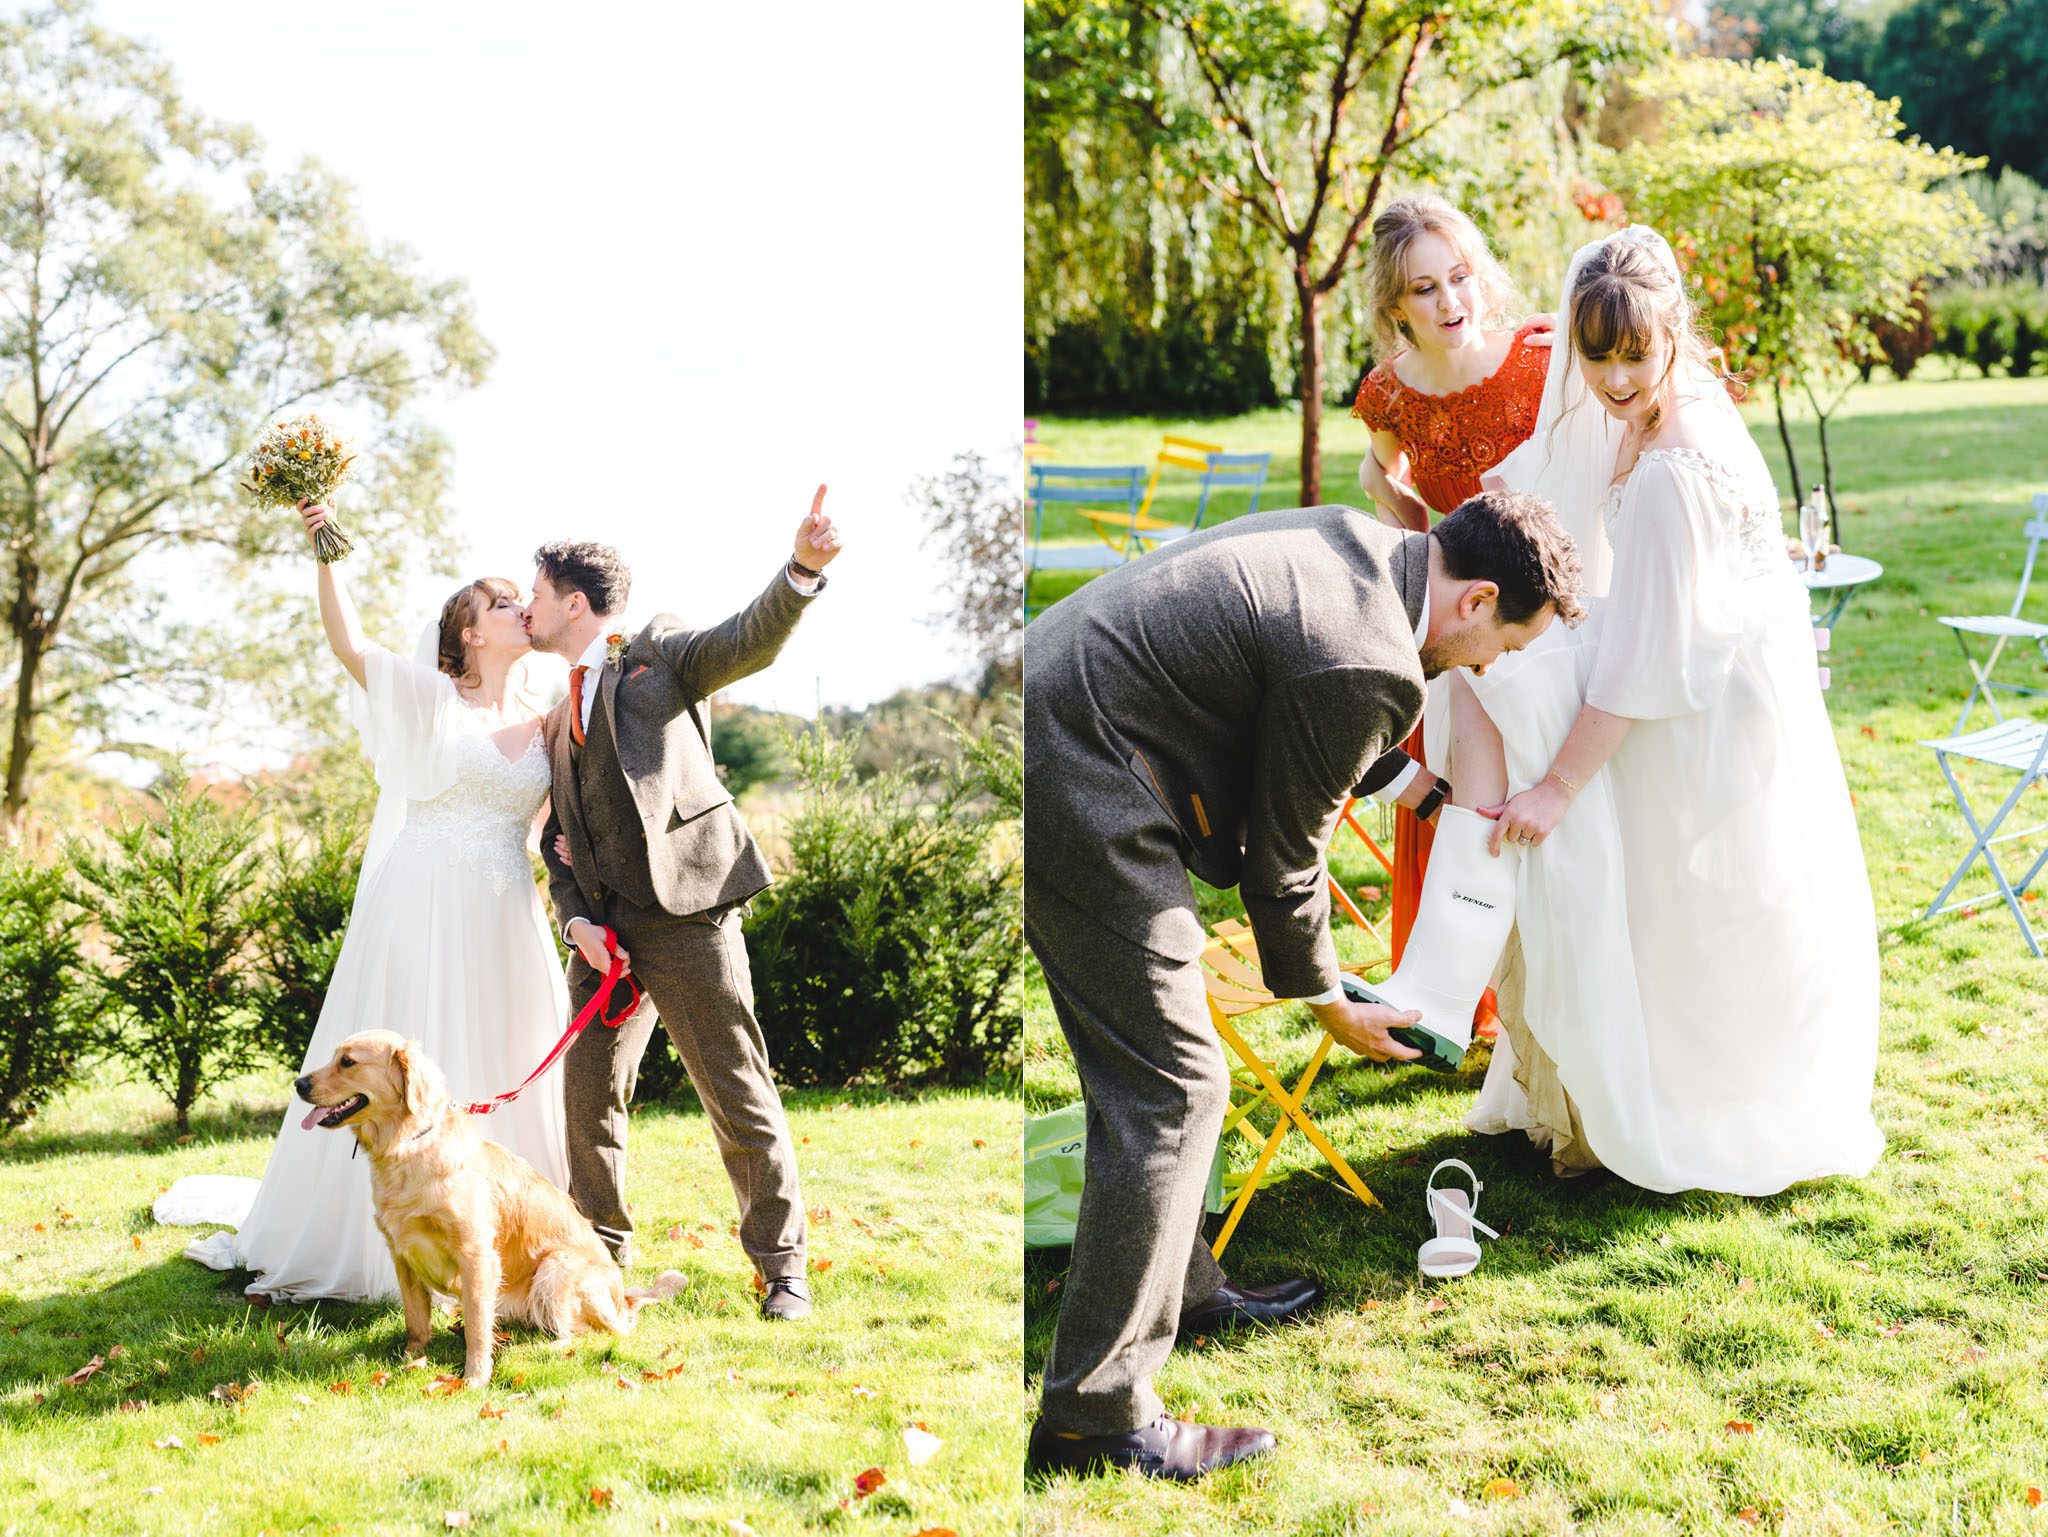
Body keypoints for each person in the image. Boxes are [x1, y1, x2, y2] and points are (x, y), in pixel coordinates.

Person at [1023, 492, 1584, 1480]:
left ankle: (1182, 1291)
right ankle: (1092, 1415)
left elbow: (1299, 715)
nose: (1493, 665)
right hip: (1076, 777)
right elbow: (1282, 866)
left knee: (1163, 1077)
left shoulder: (1358, 549)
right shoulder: (1365, 653)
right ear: (1476, 598)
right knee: (1173, 1088)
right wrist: (1330, 1001)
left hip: (1061, 732)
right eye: (1504, 641)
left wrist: (1428, 793)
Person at [1401, 225, 1885, 1192]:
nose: (1615, 380)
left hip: (1699, 703)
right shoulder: (1648, 409)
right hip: (1668, 655)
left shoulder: (1672, 468)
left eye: (1635, 355)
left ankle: (1512, 1019)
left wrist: (1561, 789)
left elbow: (1648, 663)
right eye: (1596, 357)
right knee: (1490, 681)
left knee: (1679, 899)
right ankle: (1444, 987)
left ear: (1674, 334)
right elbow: (1611, 567)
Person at [169, 503, 570, 1300]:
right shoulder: (431, 699)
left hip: (505, 915)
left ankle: (508, 1234)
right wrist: (327, 551)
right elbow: (349, 645)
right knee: (418, 1046)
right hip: (422, 903)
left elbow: (559, 825)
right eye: (500, 604)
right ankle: (385, 1238)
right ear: (469, 634)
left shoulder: (545, 717)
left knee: (508, 1039)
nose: (518, 610)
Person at [523, 489, 841, 1321]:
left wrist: (801, 570)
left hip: (687, 913)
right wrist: (577, 921)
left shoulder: (656, 651)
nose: (524, 608)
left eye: (534, 593)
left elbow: (745, 639)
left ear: (573, 602)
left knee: (735, 1090)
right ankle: (600, 1263)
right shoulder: (556, 719)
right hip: (602, 941)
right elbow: (557, 845)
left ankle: (784, 1271)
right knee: (587, 1098)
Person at [1350, 194, 1554, 1037]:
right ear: (1397, 307)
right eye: (1425, 290)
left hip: (1545, 619)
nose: (1450, 303)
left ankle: (1546, 999)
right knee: (1476, 800)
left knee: (1543, 798)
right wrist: (1422, 550)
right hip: (1465, 631)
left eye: (1460, 277)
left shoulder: (1538, 361)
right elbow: (1377, 476)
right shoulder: (1390, 394)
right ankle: (1451, 999)